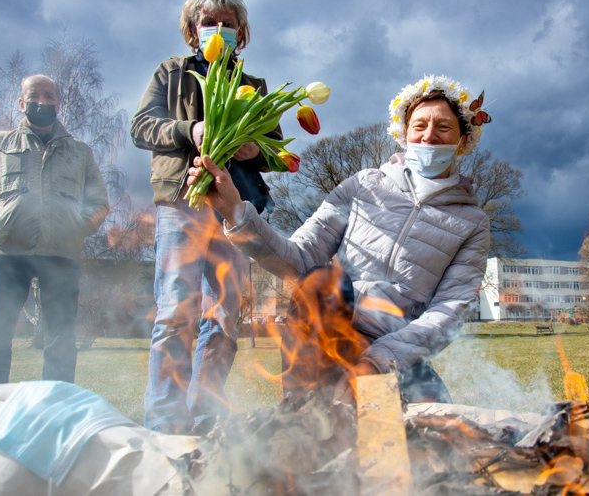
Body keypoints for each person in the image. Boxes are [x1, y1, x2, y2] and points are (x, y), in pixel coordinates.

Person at [188, 75, 492, 404]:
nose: (429, 136)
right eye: (419, 125)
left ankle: (372, 409)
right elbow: (299, 258)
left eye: (443, 127)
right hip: (325, 333)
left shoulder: (472, 223)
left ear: (462, 141)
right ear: (404, 134)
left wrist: (376, 362)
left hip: (392, 351)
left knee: (437, 441)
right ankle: (305, 409)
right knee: (322, 282)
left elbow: (446, 313)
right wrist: (236, 211)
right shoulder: (363, 186)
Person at [131, 0, 282, 434]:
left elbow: (276, 150)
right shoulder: (171, 73)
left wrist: (257, 149)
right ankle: (163, 422)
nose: (218, 28)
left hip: (235, 209)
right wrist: (188, 130)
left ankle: (202, 413)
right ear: (192, 29)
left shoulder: (253, 83)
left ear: (242, 31)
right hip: (183, 202)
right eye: (208, 21)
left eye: (228, 22)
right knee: (177, 310)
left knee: (222, 316)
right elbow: (141, 126)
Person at [0, 74, 109, 384]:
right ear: (21, 103)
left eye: (49, 96)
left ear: (59, 103)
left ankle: (56, 410)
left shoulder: (80, 152)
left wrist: (77, 230)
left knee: (60, 339)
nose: (42, 102)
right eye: (35, 96)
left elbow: (99, 203)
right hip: (7, 253)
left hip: (61, 255)